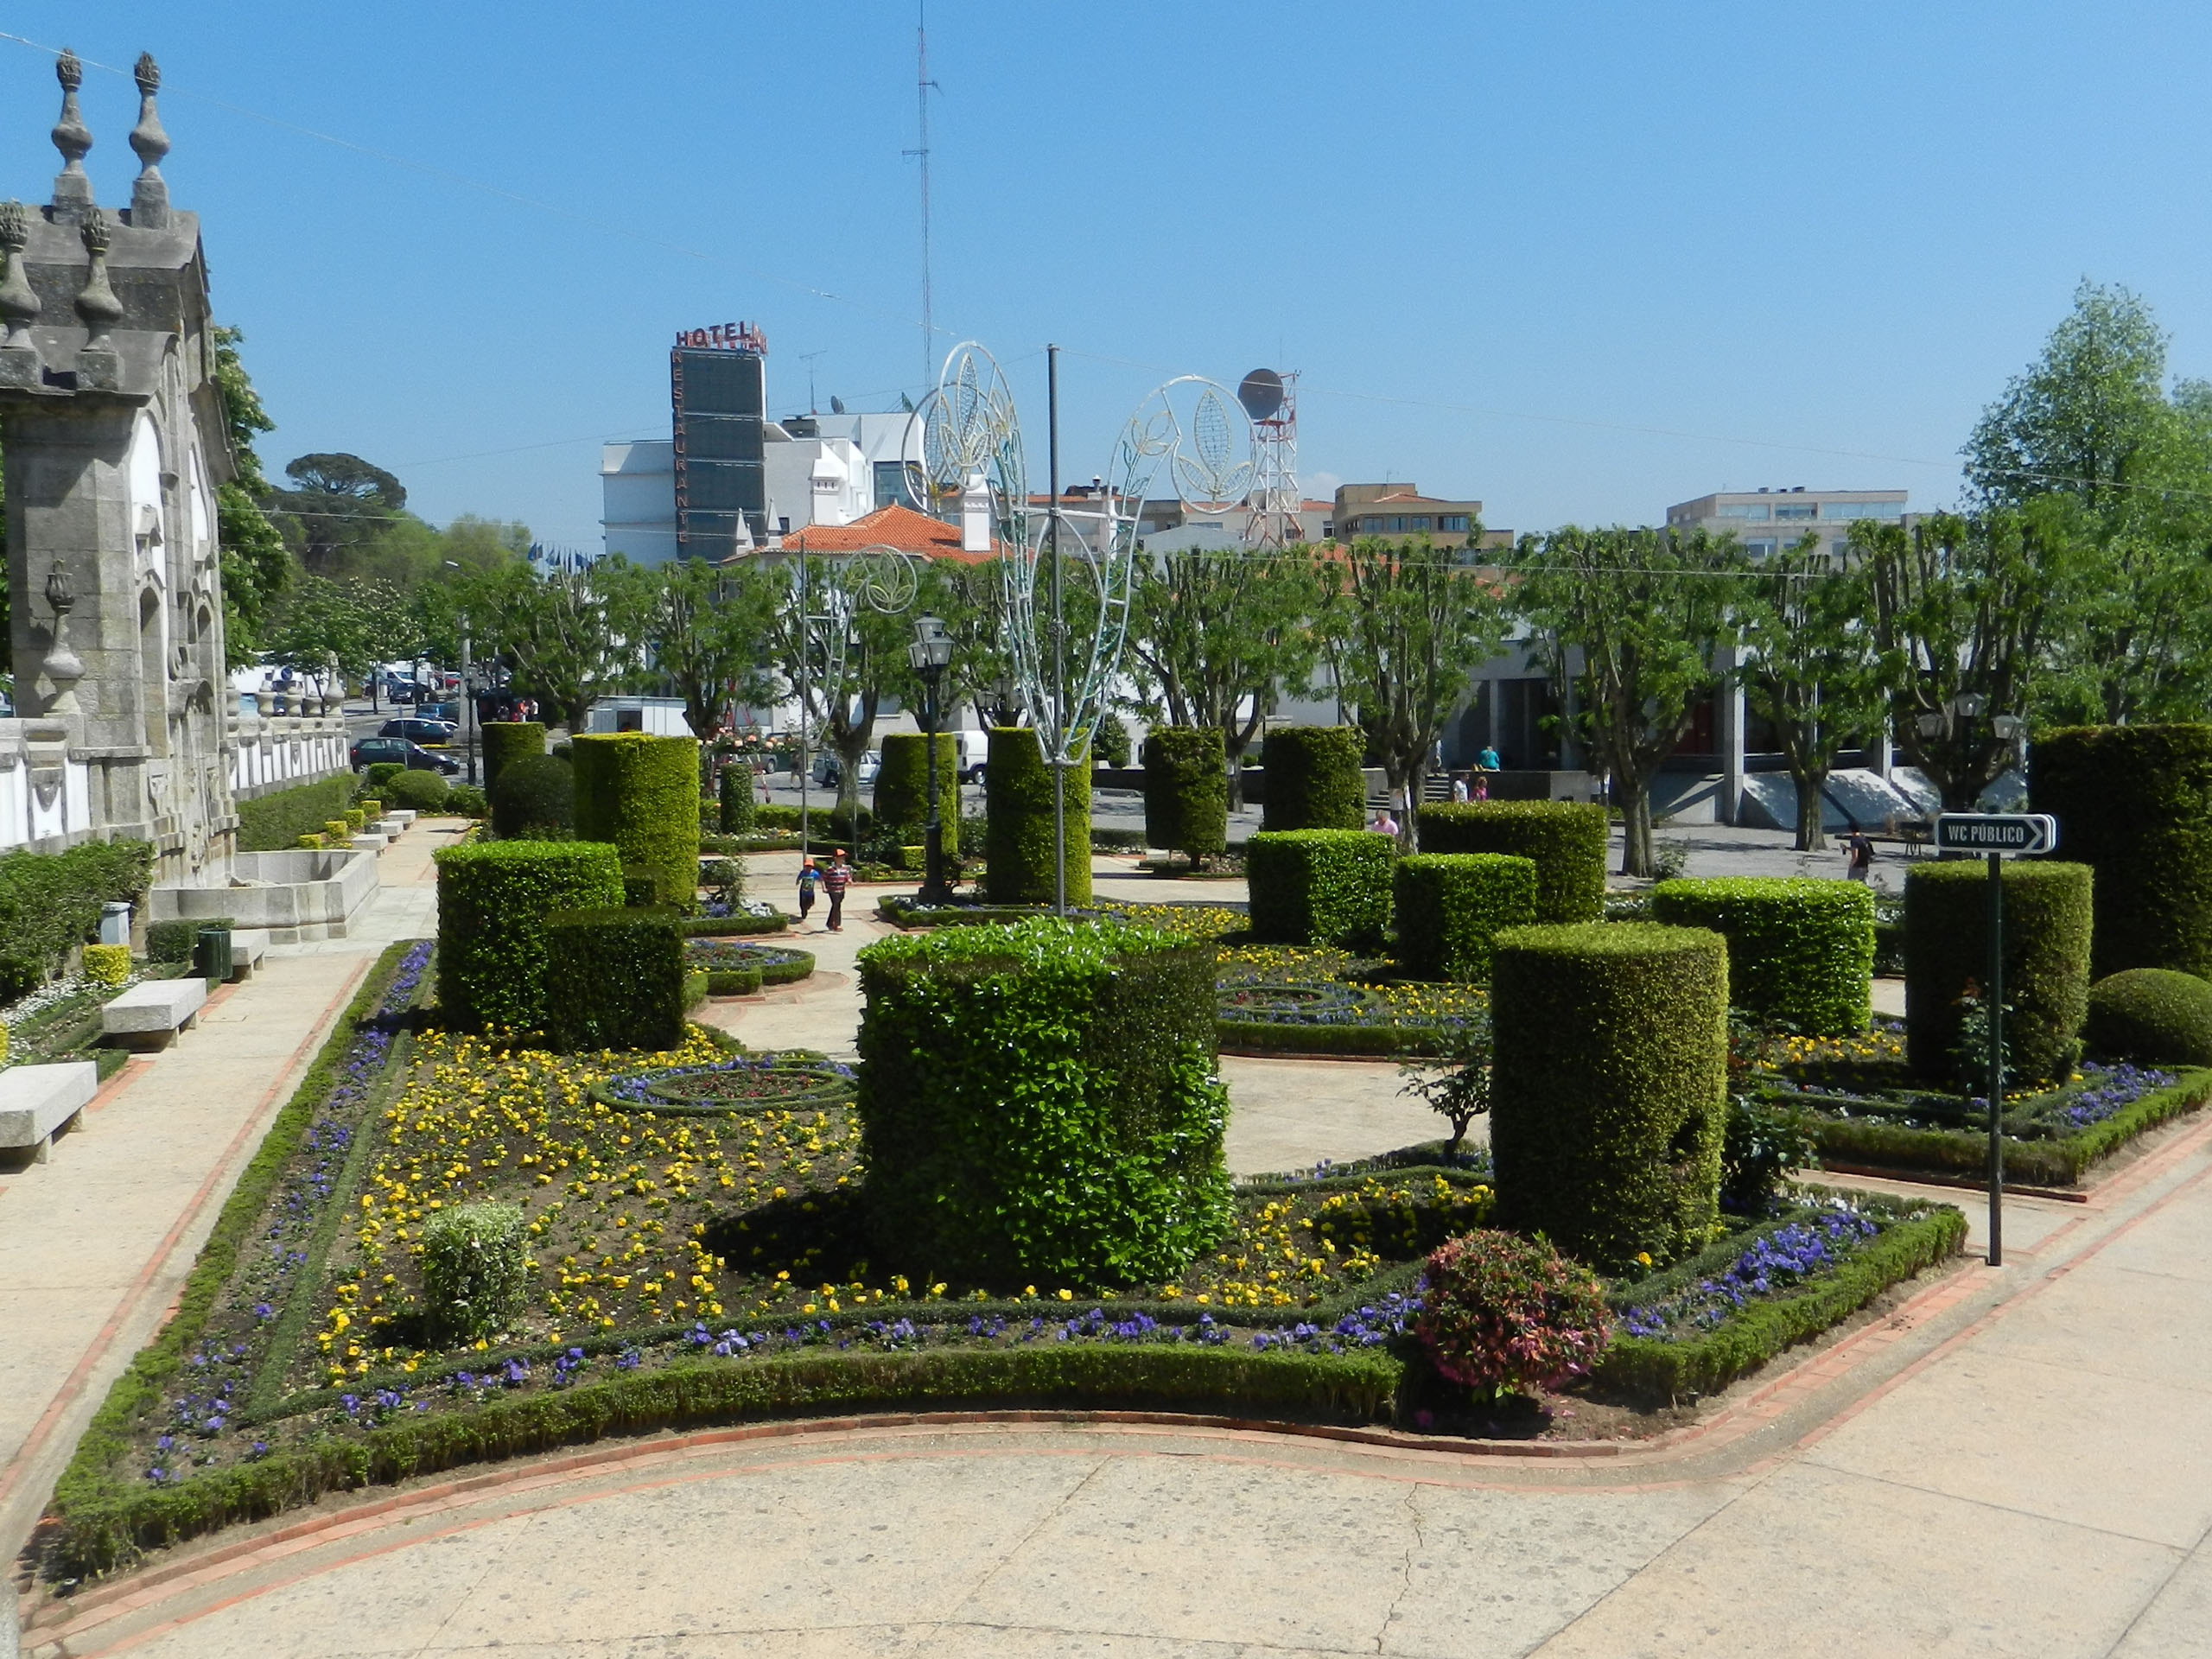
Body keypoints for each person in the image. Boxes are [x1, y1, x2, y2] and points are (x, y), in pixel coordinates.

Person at [823, 849, 853, 931]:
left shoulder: (844, 869)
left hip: (841, 890)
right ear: (835, 858)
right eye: (841, 858)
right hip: (833, 890)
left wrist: (849, 881)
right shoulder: (830, 869)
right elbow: (823, 878)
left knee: (835, 906)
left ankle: (829, 923)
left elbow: (847, 877)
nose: (842, 860)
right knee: (837, 906)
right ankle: (837, 924)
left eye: (843, 858)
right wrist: (824, 887)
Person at [795, 857, 820, 925]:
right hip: (803, 891)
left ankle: (809, 905)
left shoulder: (815, 873)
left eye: (810, 866)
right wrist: (797, 881)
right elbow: (799, 878)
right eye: (807, 866)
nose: (808, 868)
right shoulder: (803, 872)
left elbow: (821, 879)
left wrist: (824, 885)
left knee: (809, 903)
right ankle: (804, 914)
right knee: (802, 904)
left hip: (810, 892)